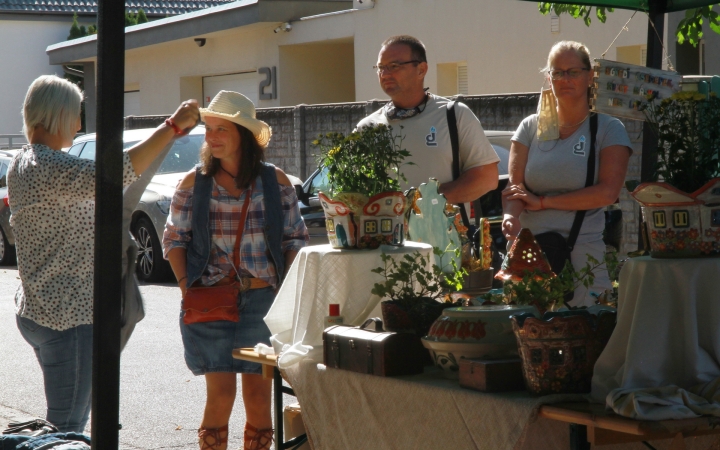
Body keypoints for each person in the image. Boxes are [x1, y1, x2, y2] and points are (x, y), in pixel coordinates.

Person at [8, 74, 199, 432]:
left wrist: (168, 137)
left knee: (66, 423)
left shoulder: (23, 162)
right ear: (57, 115)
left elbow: (117, 184)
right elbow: (117, 173)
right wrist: (171, 125)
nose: (80, 125)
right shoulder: (47, 167)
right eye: (76, 115)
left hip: (39, 308)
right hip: (67, 317)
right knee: (66, 430)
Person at [162, 90, 308, 450]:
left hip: (262, 301)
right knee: (220, 397)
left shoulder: (277, 183)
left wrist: (283, 297)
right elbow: (173, 240)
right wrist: (186, 288)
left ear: (243, 133)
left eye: (220, 129)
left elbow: (295, 242)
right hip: (210, 302)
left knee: (259, 400)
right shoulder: (194, 183)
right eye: (208, 129)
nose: (210, 138)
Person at [501, 41, 632, 306]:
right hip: (530, 256)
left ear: (589, 75)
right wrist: (510, 216)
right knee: (529, 338)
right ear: (548, 78)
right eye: (557, 72)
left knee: (586, 335)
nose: (565, 79)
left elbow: (607, 193)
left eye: (573, 71)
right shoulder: (529, 126)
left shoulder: (608, 129)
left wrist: (543, 202)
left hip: (583, 255)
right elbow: (514, 189)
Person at [357, 35, 499, 214]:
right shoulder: (366, 128)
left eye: (394, 66)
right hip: (385, 239)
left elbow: (486, 178)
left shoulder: (455, 115)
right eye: (380, 67)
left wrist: (423, 201)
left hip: (443, 239)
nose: (385, 74)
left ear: (421, 69)